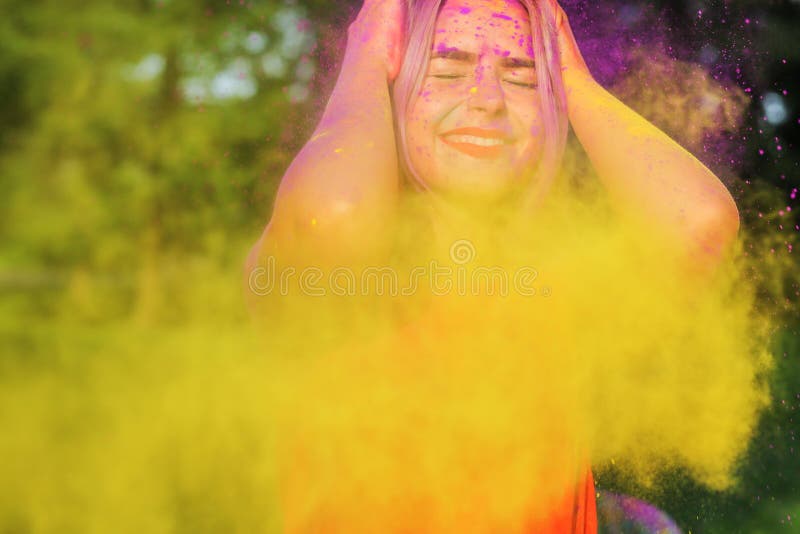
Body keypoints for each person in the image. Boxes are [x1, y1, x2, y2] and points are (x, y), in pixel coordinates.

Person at [245, 0, 741, 531]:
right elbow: (336, 219)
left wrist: (568, 75)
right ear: (389, 87)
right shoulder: (325, 265)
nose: (487, 100)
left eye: (522, 79)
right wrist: (365, 52)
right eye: (447, 70)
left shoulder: (564, 276)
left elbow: (699, 226)